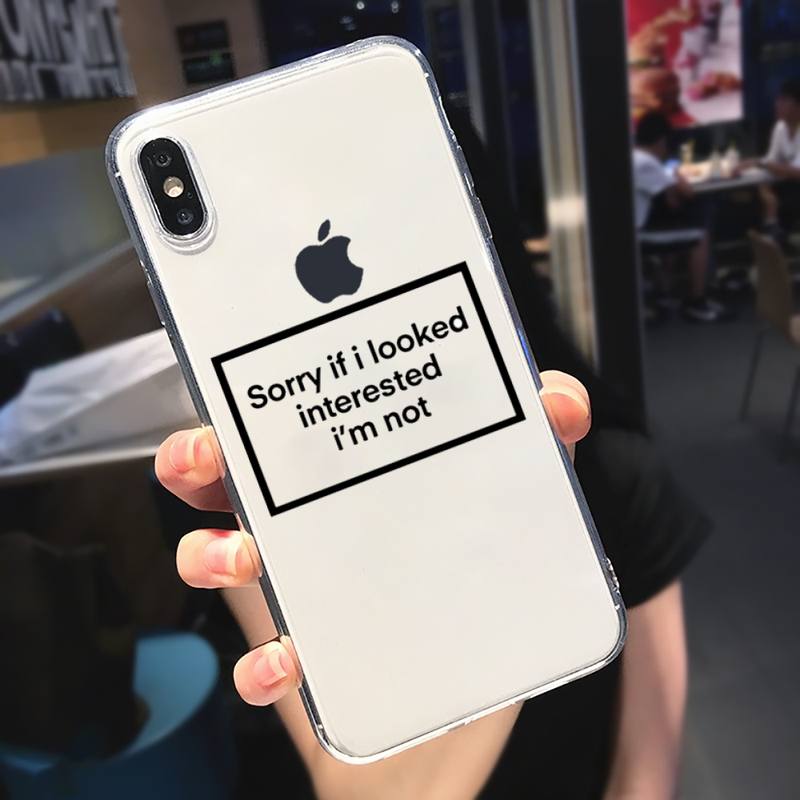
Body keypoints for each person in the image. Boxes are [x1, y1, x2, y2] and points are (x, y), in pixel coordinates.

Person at [154, 111, 709, 799]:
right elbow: (357, 792)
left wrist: (530, 521)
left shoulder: (616, 477)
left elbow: (645, 776)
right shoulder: (263, 510)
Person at [633, 111, 727, 322]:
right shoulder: (647, 163)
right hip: (639, 233)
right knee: (700, 235)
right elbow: (682, 196)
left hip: (637, 225)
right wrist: (675, 172)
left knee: (677, 225)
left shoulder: (632, 157)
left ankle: (664, 293)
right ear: (662, 141)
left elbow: (666, 201)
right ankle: (697, 301)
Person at [739, 78, 800, 245]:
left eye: (784, 100)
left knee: (786, 197)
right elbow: (771, 162)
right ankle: (772, 234)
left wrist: (760, 163)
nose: (777, 104)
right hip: (787, 184)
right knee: (757, 196)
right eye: (778, 100)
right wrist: (749, 165)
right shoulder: (780, 127)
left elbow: (797, 172)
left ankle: (776, 237)